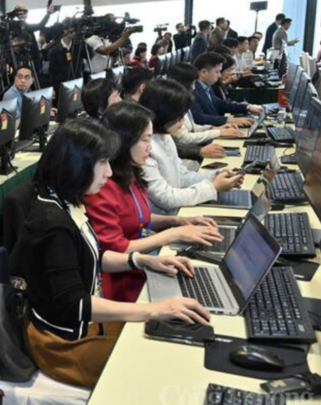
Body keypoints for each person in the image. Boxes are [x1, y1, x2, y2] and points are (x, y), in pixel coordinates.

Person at [21, 118, 209, 388]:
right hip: (63, 343)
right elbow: (75, 304)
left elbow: (94, 257)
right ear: (77, 164)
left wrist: (142, 260)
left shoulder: (66, 200)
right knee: (164, 367)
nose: (109, 173)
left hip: (84, 327)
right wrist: (154, 310)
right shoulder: (52, 223)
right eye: (102, 163)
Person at [85, 102, 222, 302]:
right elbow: (117, 249)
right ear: (124, 141)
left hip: (145, 264)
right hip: (125, 282)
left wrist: (178, 222)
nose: (151, 146)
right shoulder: (101, 187)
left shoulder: (131, 171)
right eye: (145, 139)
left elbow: (137, 217)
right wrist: (171, 234)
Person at [139, 80, 243, 214]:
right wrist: (213, 187)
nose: (182, 123)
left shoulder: (165, 136)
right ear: (162, 114)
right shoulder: (144, 148)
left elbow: (182, 177)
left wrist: (216, 176)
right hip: (166, 219)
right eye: (178, 118)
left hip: (179, 211)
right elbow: (165, 198)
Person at [168, 63, 245, 147]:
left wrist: (214, 128)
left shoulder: (182, 100)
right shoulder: (172, 104)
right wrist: (218, 132)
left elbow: (193, 127)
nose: (194, 88)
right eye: (192, 83)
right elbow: (184, 138)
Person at [191, 52, 263, 127]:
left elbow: (219, 103)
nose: (219, 75)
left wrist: (247, 107)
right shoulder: (192, 89)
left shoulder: (205, 86)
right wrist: (229, 120)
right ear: (203, 72)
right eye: (217, 72)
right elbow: (199, 118)